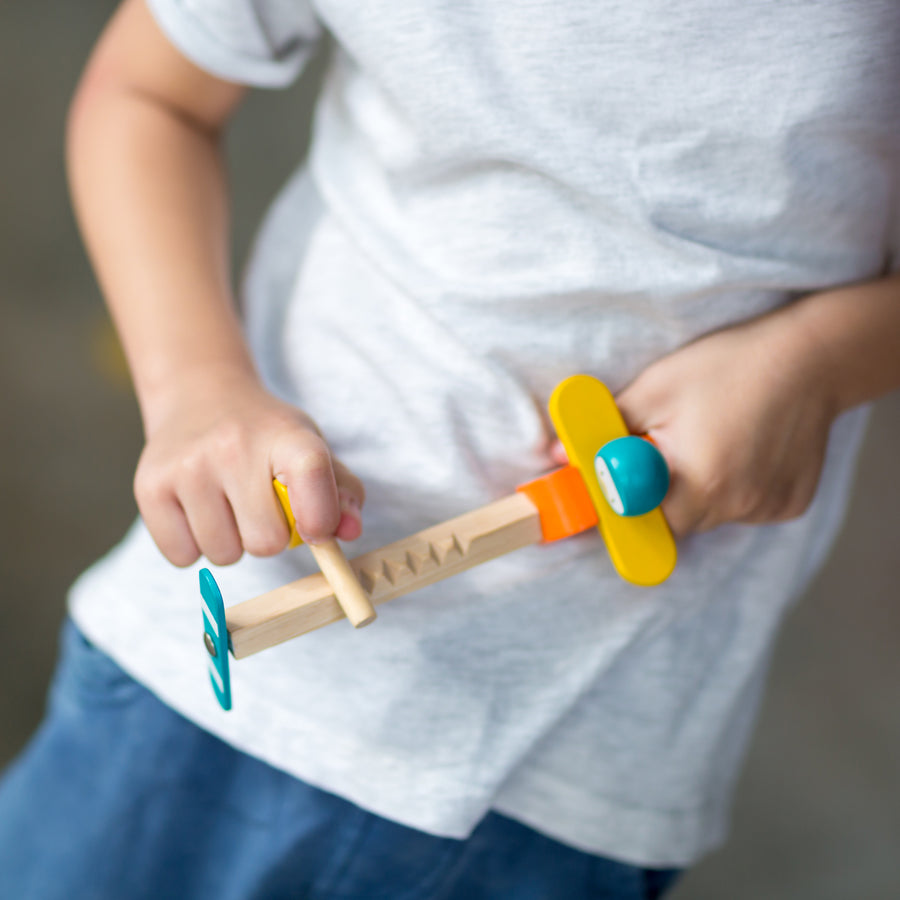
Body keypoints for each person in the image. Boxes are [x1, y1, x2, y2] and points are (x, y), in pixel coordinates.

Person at [1, 0, 898, 897]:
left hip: (577, 763)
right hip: (200, 678)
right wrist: (195, 384)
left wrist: (820, 363)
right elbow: (148, 96)